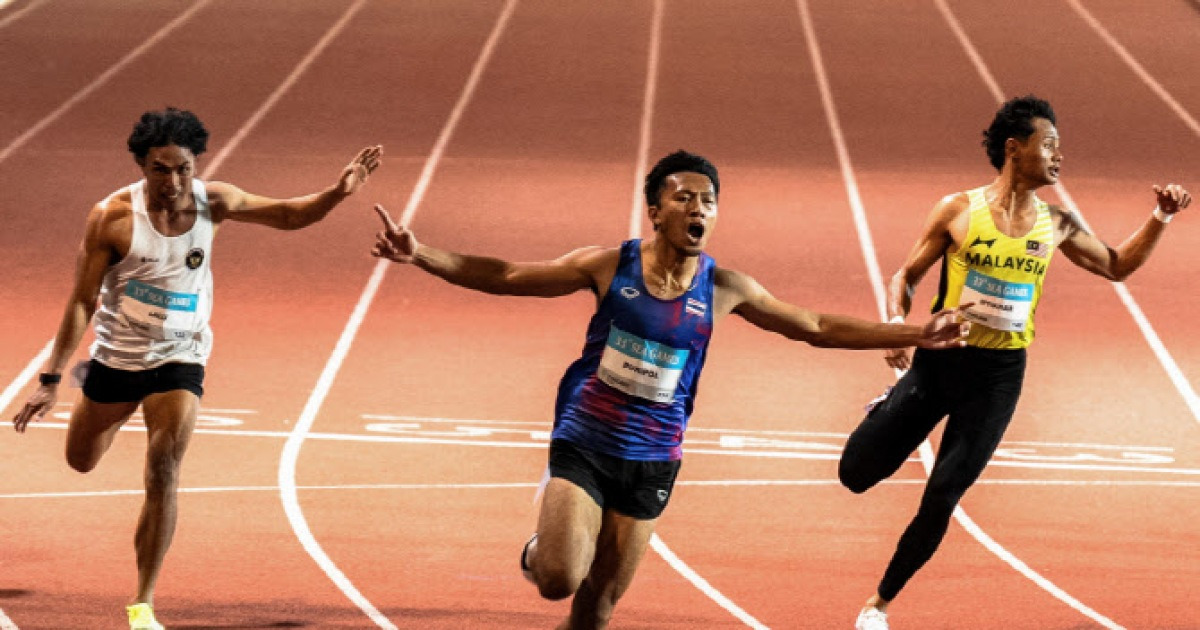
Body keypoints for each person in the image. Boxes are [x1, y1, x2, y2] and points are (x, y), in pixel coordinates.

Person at [369, 150, 973, 630]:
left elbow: (813, 327)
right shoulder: (609, 266)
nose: (699, 208)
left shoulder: (726, 287)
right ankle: (540, 546)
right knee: (558, 578)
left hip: (654, 458)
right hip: (585, 440)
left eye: (709, 200)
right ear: (654, 211)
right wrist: (423, 255)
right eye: (684, 197)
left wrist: (917, 331)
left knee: (597, 612)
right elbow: (505, 276)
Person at [11, 107, 382, 630]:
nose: (174, 181)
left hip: (180, 354)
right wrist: (51, 379)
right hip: (118, 354)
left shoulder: (215, 201)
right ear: (142, 166)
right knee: (80, 461)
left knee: (163, 468)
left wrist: (340, 190)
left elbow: (290, 215)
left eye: (183, 168)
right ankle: (89, 390)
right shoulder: (112, 217)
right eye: (161, 169)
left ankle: (143, 606)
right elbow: (81, 301)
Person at [839, 95, 1192, 630]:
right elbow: (905, 277)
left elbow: (1118, 266)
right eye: (1049, 144)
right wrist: (896, 324)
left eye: (1060, 147)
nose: (1059, 156)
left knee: (943, 494)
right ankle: (886, 406)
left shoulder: (1057, 225)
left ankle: (878, 604)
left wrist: (1161, 215)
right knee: (856, 474)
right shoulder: (959, 210)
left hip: (999, 377)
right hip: (940, 364)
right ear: (1014, 148)